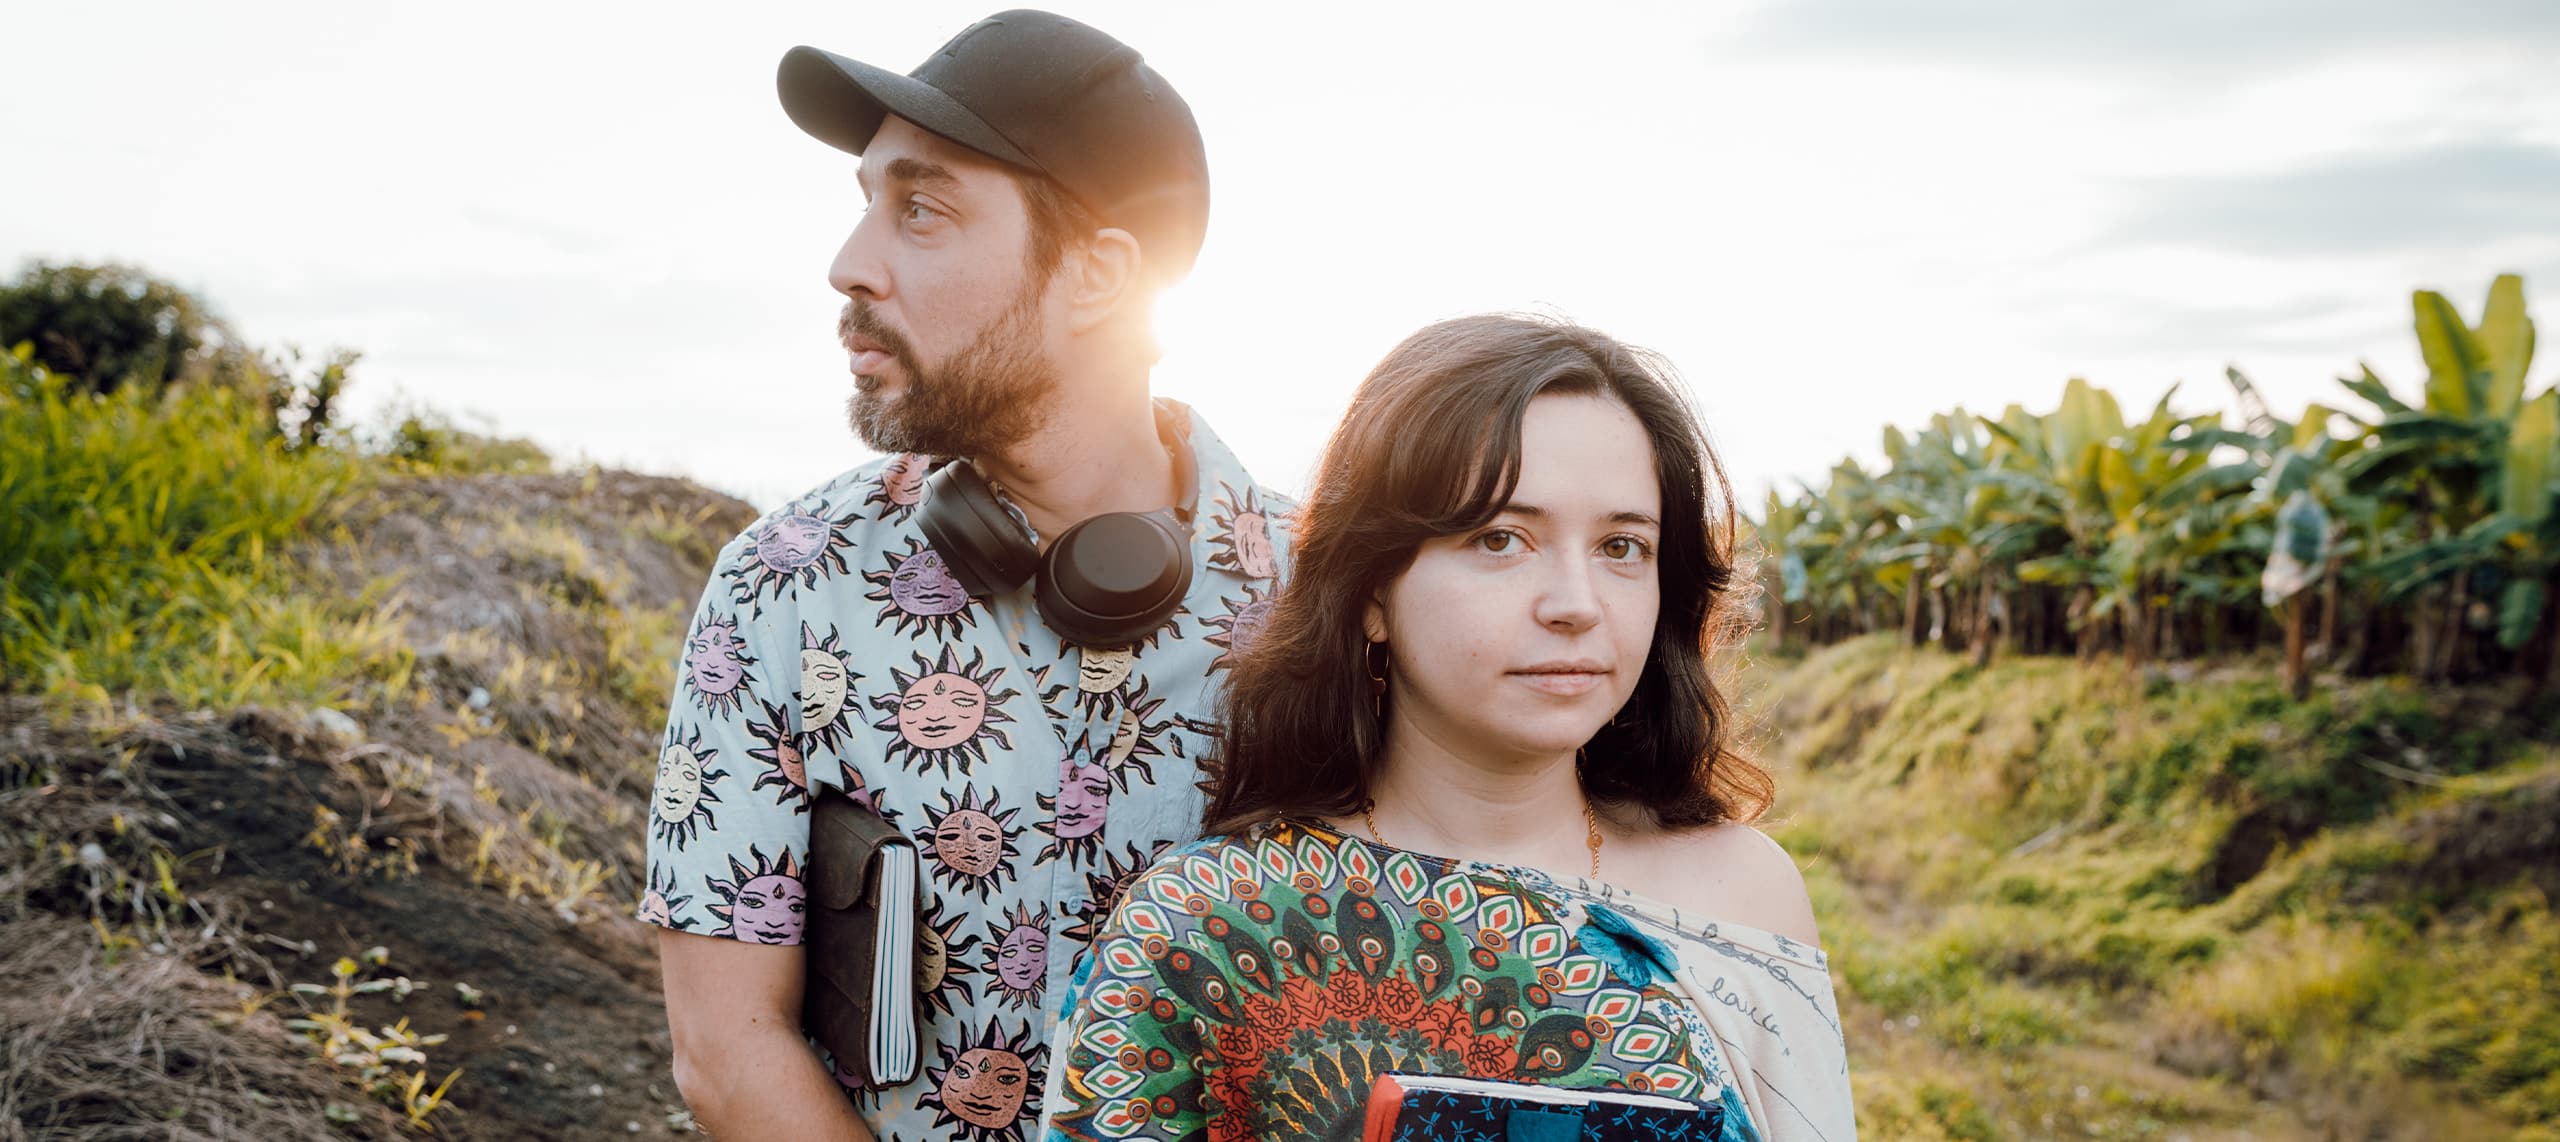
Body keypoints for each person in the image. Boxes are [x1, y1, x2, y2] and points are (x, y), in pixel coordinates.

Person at [640, 11, 1296, 1139]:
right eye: (867, 202)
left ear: (1099, 275)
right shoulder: (784, 582)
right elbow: (725, 1048)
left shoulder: (1337, 600)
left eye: (922, 210)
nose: (850, 264)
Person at [1044, 315, 1857, 1142]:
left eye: (1621, 546)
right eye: (1501, 539)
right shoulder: (1198, 924)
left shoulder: (1744, 896)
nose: (1577, 604)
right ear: (1371, 590)